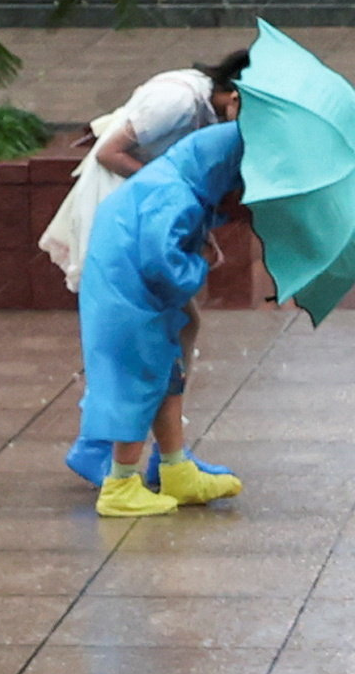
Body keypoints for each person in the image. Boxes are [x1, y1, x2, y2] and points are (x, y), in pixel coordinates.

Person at [67, 122, 249, 520]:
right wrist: (198, 264)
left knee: (165, 377)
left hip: (126, 291)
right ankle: (120, 485)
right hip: (133, 299)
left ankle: (175, 467)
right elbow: (161, 263)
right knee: (138, 381)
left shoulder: (171, 182)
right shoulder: (175, 195)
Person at [35, 43, 247, 296]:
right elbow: (109, 154)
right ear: (235, 97)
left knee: (167, 298)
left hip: (144, 200)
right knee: (132, 291)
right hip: (118, 196)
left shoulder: (205, 102)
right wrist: (170, 185)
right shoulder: (178, 101)